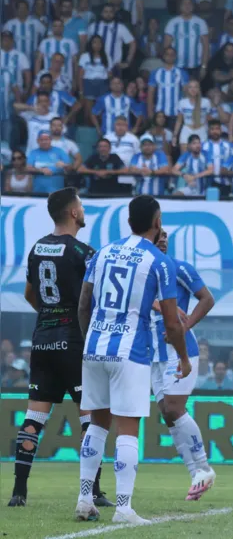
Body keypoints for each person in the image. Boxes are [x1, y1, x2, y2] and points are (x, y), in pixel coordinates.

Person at [74, 195, 189, 525]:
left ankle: (84, 499)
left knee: (97, 424)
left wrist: (90, 341)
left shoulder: (103, 252)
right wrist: (183, 357)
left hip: (95, 345)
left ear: (128, 221)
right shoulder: (158, 260)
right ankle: (123, 508)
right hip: (131, 351)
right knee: (127, 429)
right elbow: (170, 322)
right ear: (157, 223)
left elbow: (84, 304)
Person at [8, 189, 108, 508]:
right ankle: (92, 492)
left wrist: (50, 315)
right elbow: (95, 300)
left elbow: (28, 294)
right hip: (75, 341)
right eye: (80, 205)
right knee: (89, 419)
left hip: (43, 339)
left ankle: (18, 493)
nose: (83, 209)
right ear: (73, 213)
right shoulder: (83, 252)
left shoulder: (37, 248)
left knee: (34, 417)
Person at [150, 230, 216, 500]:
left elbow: (207, 299)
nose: (163, 238)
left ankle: (204, 468)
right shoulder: (141, 272)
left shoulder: (178, 268)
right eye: (158, 234)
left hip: (179, 349)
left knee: (175, 408)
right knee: (167, 412)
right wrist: (157, 306)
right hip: (151, 353)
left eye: (165, 235)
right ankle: (195, 475)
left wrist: (185, 324)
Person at [164, 0, 209, 79]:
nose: (187, 6)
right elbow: (166, 46)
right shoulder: (172, 23)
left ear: (193, 7)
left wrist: (204, 66)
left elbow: (206, 47)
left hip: (196, 66)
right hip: (177, 65)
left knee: (194, 90)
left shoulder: (200, 22)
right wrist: (168, 65)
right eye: (184, 4)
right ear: (180, 7)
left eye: (189, 4)